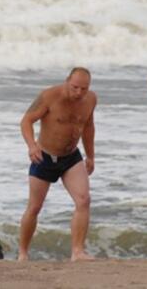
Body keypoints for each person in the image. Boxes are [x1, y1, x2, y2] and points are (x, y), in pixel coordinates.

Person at [18, 67, 97, 262]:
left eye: (83, 89)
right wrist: (32, 146)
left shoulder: (91, 100)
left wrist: (90, 155)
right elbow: (26, 121)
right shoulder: (49, 96)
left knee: (83, 200)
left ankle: (77, 252)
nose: (79, 93)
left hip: (71, 157)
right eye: (75, 87)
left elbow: (88, 126)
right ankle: (23, 253)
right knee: (34, 207)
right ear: (67, 81)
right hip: (44, 157)